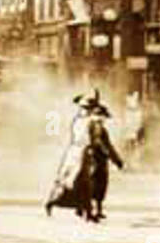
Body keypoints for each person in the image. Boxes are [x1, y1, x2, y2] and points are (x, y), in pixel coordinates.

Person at [44, 90, 124, 223]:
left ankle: (82, 209)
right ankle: (59, 203)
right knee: (77, 182)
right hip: (82, 154)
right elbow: (99, 142)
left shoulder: (80, 121)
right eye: (87, 108)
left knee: (77, 182)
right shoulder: (89, 122)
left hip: (77, 153)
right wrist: (114, 158)